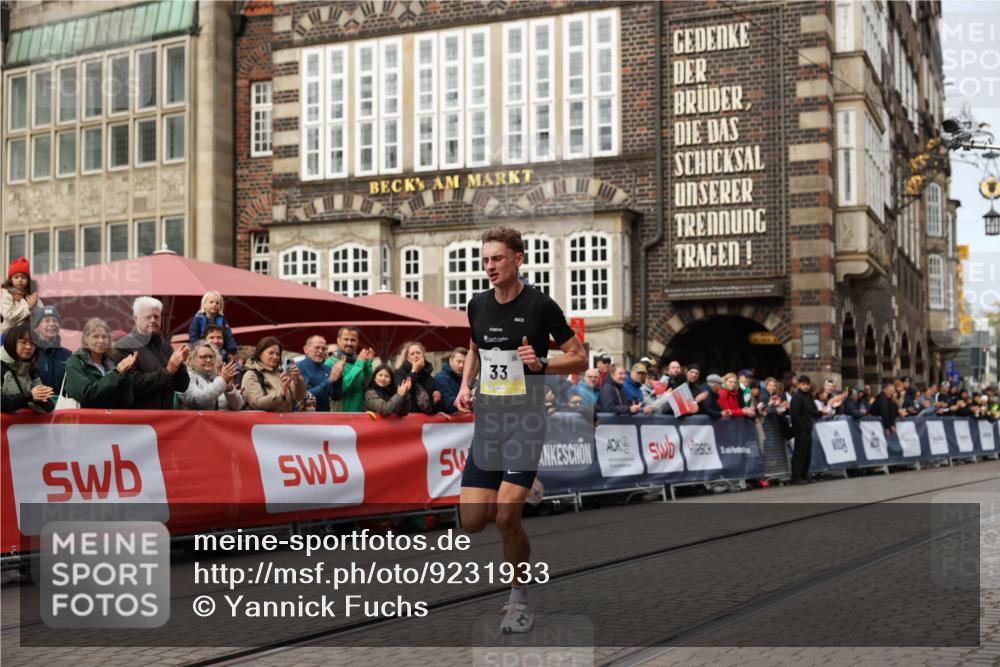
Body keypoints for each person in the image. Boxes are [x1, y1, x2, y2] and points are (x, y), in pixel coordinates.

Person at [453, 227, 587, 635]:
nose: (489, 266)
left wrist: (542, 365)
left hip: (526, 421)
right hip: (489, 421)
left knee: (506, 518)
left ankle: (519, 597)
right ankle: (526, 481)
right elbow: (475, 349)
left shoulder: (540, 305)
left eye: (497, 258)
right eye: (485, 259)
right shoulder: (477, 304)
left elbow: (579, 357)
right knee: (472, 521)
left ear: (518, 259)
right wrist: (464, 386)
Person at [113, 297, 189, 410]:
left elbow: (182, 386)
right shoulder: (123, 346)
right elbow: (132, 385)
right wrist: (168, 371)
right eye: (148, 317)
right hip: (138, 417)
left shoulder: (166, 347)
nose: (153, 320)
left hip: (166, 416)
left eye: (156, 316)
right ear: (136, 319)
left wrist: (180, 365)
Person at [63, 318, 137, 409]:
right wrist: (117, 372)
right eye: (95, 336)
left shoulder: (113, 363)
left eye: (104, 337)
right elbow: (87, 395)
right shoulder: (76, 362)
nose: (101, 341)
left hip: (112, 417)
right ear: (86, 339)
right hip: (86, 417)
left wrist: (126, 373)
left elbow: (125, 402)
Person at [241, 336, 307, 412]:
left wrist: (297, 379)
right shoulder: (251, 374)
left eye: (277, 354)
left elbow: (299, 397)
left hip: (287, 418)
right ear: (260, 353)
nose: (275, 357)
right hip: (264, 419)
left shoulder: (282, 373)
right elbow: (256, 403)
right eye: (271, 353)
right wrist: (281, 393)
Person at [1, 323, 55, 413]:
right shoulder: (1, 366)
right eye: (23, 342)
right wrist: (30, 396)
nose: (28, 347)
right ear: (12, 342)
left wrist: (41, 397)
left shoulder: (31, 369)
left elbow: (49, 406)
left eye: (33, 343)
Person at [181, 342, 243, 411]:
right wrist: (222, 381)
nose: (208, 360)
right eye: (203, 357)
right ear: (192, 359)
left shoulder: (219, 377)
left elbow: (238, 406)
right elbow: (197, 400)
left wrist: (229, 389)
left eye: (211, 357)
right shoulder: (187, 376)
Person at [329, 327, 375, 412]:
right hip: (340, 416)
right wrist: (358, 365)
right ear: (338, 340)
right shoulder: (331, 362)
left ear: (357, 342)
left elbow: (365, 385)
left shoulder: (359, 361)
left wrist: (367, 365)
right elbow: (340, 389)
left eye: (353, 340)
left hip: (359, 415)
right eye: (346, 339)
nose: (349, 343)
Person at [296, 335, 345, 412]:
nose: (321, 351)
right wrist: (330, 380)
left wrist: (339, 377)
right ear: (306, 349)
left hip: (324, 416)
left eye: (324, 349)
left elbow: (336, 397)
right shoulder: (297, 367)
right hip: (303, 417)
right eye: (317, 347)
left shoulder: (327, 368)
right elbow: (306, 396)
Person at [395, 340, 443, 414]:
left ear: (423, 356)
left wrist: (435, 401)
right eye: (412, 354)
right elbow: (403, 392)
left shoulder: (429, 377)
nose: (416, 356)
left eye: (418, 353)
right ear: (407, 358)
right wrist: (414, 371)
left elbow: (435, 409)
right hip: (407, 419)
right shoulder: (399, 373)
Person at [790, 374, 822, 484]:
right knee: (799, 453)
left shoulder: (808, 396)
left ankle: (804, 475)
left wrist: (821, 412)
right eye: (803, 384)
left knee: (807, 454)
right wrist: (801, 428)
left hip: (808, 429)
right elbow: (795, 414)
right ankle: (796, 477)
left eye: (807, 384)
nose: (806, 386)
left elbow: (812, 411)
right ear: (799, 385)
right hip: (801, 430)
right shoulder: (797, 397)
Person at [1, 257, 44, 336]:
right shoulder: (7, 295)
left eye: (23, 277)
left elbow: (42, 315)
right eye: (16, 277)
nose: (20, 280)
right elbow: (9, 317)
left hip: (30, 335)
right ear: (11, 280)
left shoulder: (32, 296)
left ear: (28, 280)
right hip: (10, 335)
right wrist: (29, 308)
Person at [188, 290, 238, 358]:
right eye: (211, 302)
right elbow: (193, 335)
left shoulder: (222, 319)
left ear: (220, 306)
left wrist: (231, 350)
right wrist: (198, 348)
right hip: (201, 348)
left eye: (217, 303)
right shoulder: (198, 318)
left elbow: (228, 335)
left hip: (218, 349)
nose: (214, 304)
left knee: (224, 356)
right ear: (204, 304)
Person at [32, 306, 71, 391]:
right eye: (47, 321)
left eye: (55, 320)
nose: (52, 324)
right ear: (37, 327)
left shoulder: (68, 355)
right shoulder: (30, 352)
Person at [435, 347, 466, 414]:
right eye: (459, 361)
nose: (461, 365)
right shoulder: (441, 378)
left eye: (464, 363)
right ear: (450, 361)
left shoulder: (463, 377)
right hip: (448, 419)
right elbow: (450, 405)